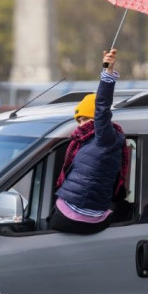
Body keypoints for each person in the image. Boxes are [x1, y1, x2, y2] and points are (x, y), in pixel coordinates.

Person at [50, 49, 129, 234]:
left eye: (86, 119)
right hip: (83, 214)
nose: (81, 125)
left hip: (77, 216)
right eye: (79, 121)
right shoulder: (86, 141)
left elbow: (102, 108)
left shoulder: (105, 137)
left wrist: (107, 73)